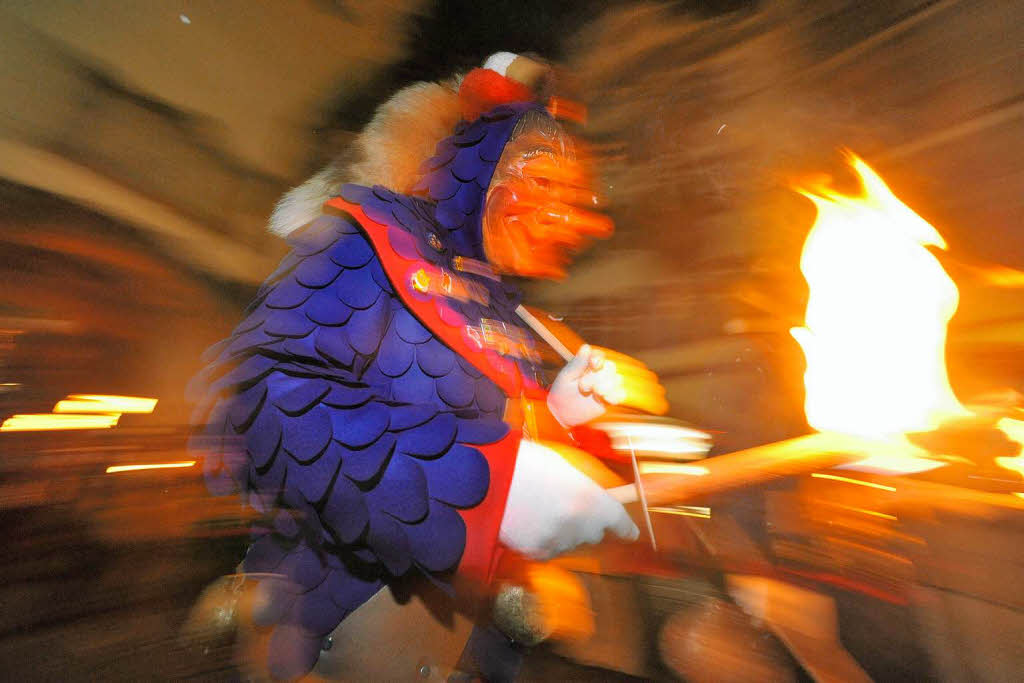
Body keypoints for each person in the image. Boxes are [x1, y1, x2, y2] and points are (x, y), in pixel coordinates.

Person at [189, 52, 663, 680]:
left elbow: (501, 449)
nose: (568, 217)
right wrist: (478, 484)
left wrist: (559, 411)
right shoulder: (373, 244)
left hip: (461, 649)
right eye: (545, 183)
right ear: (486, 170)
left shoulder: (503, 308)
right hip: (340, 633)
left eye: (573, 194)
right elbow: (262, 403)